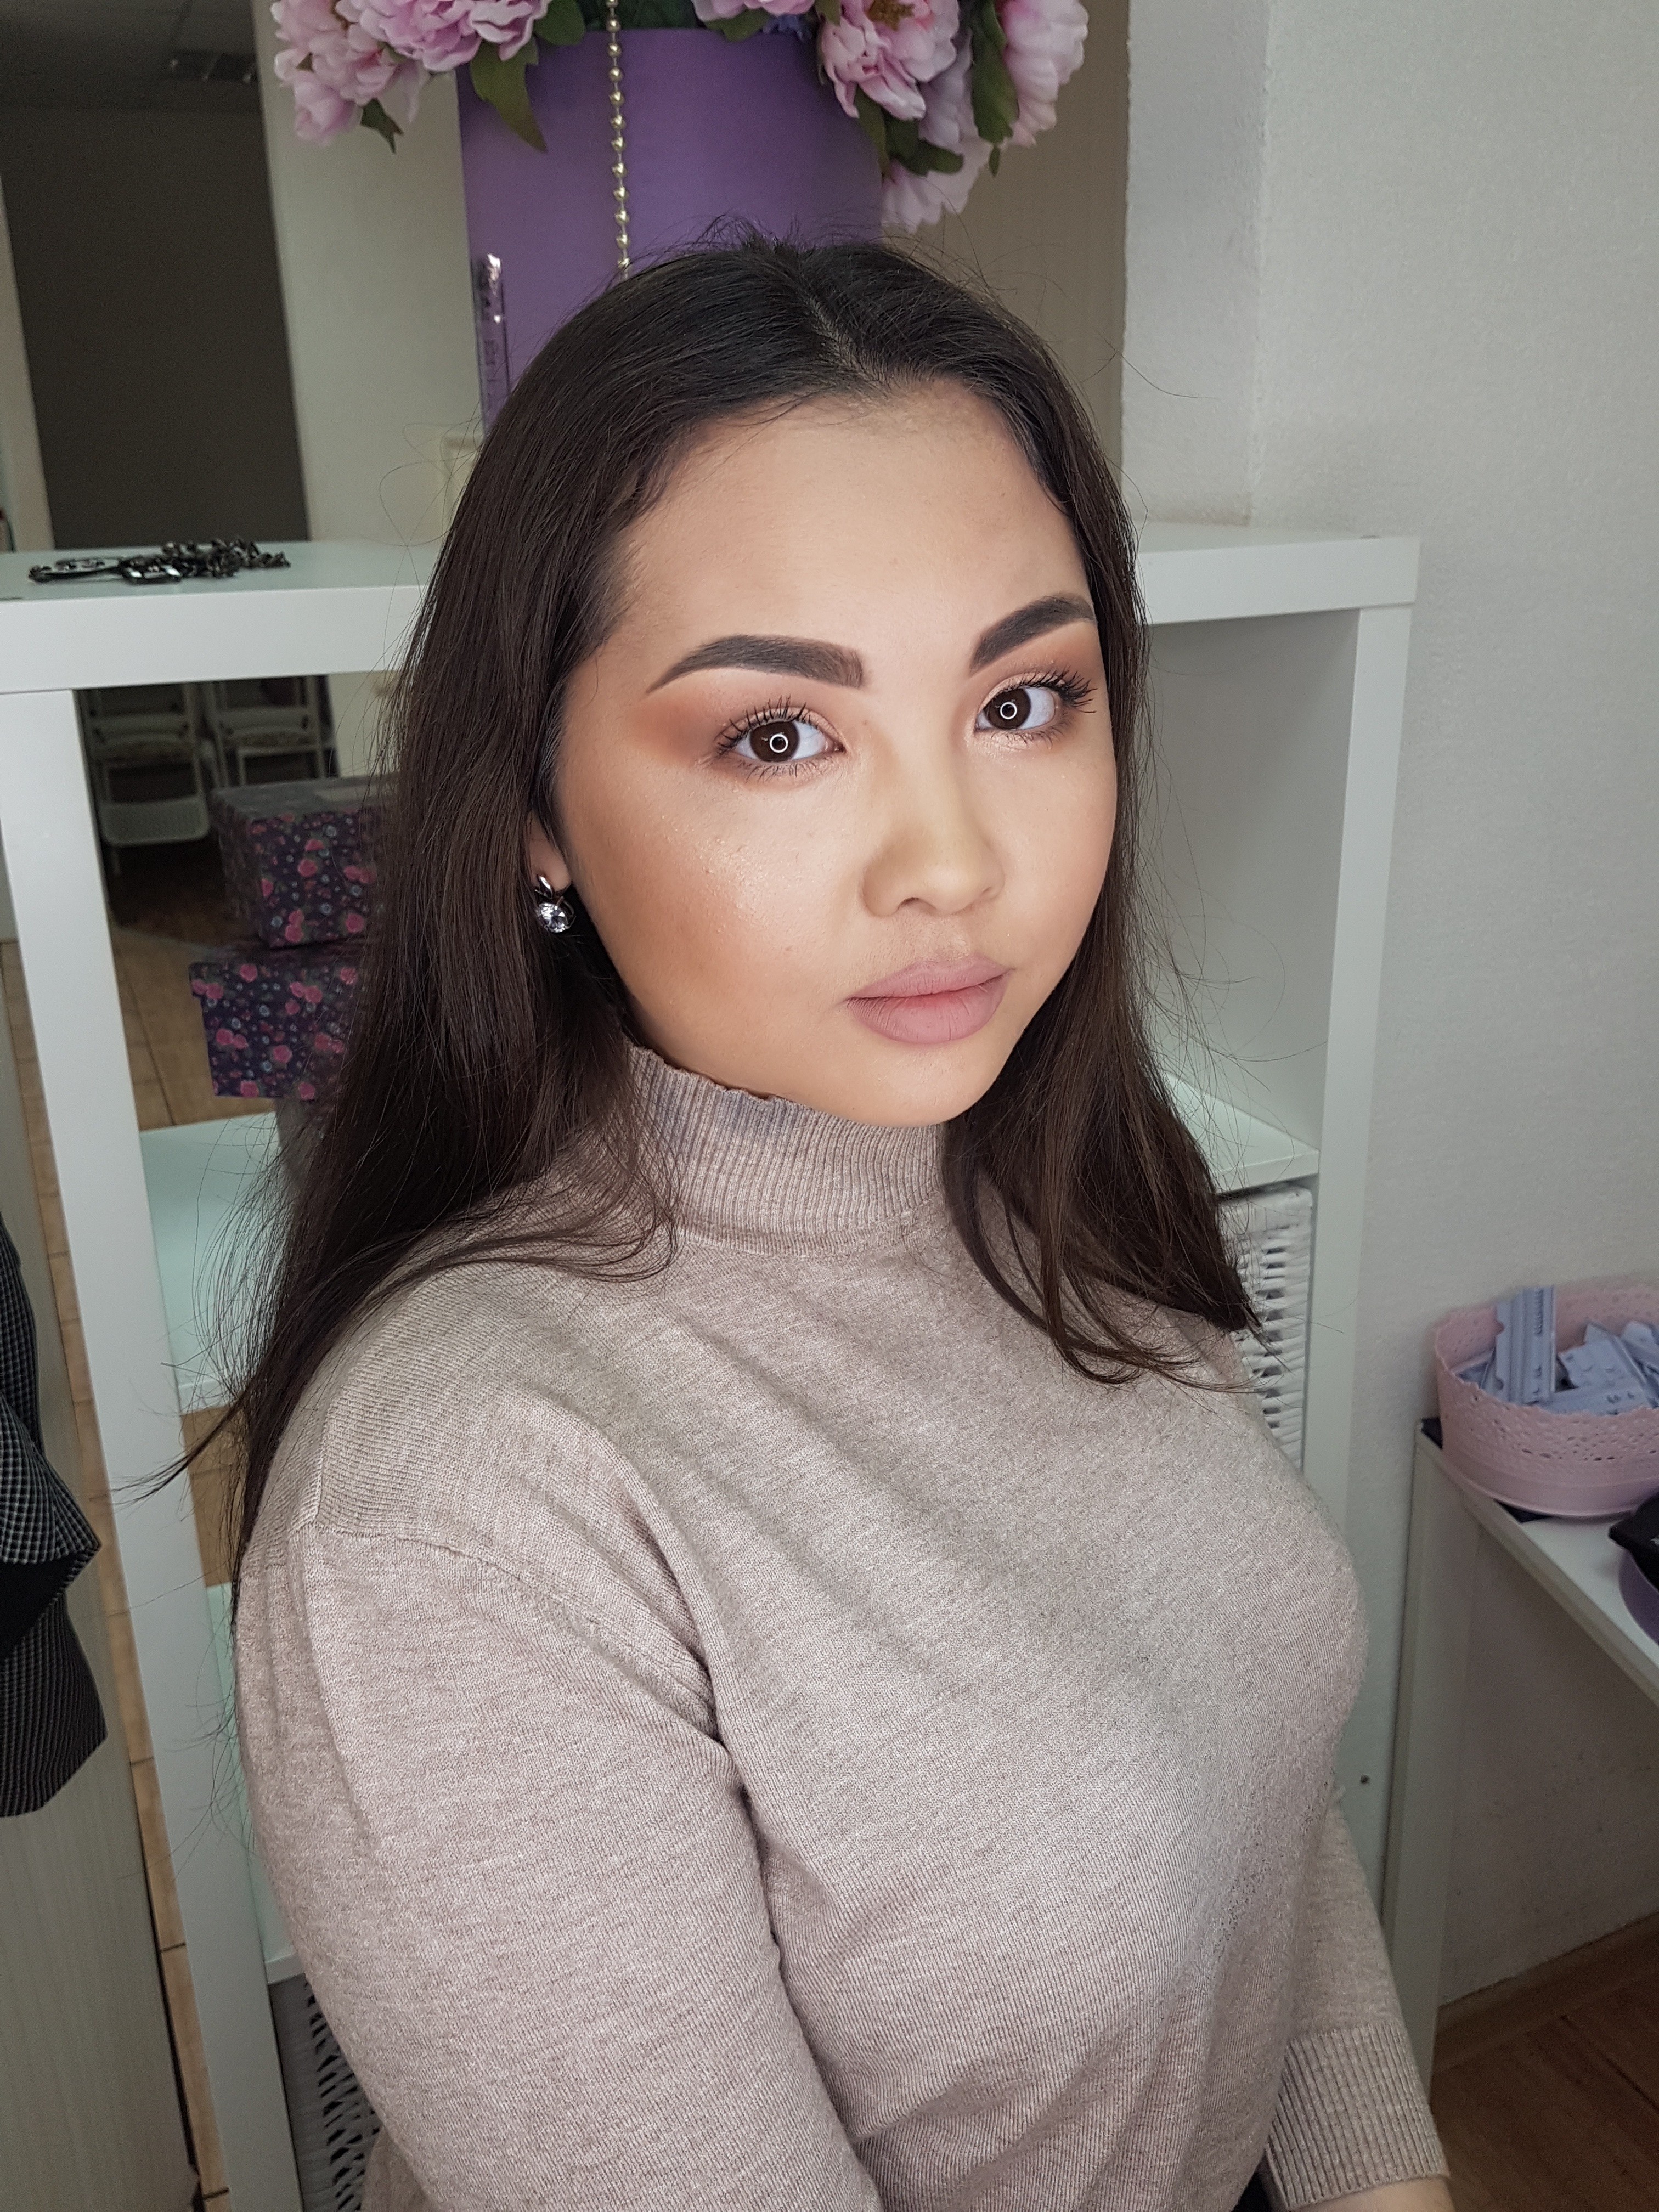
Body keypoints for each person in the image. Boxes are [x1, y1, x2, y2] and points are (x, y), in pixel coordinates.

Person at [225, 238, 1452, 2212]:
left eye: (1026, 700)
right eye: (778, 735)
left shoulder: (1063, 1182)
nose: (952, 862)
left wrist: (1387, 2182)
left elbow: (1259, 1789)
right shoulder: (454, 1518)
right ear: (534, 802)